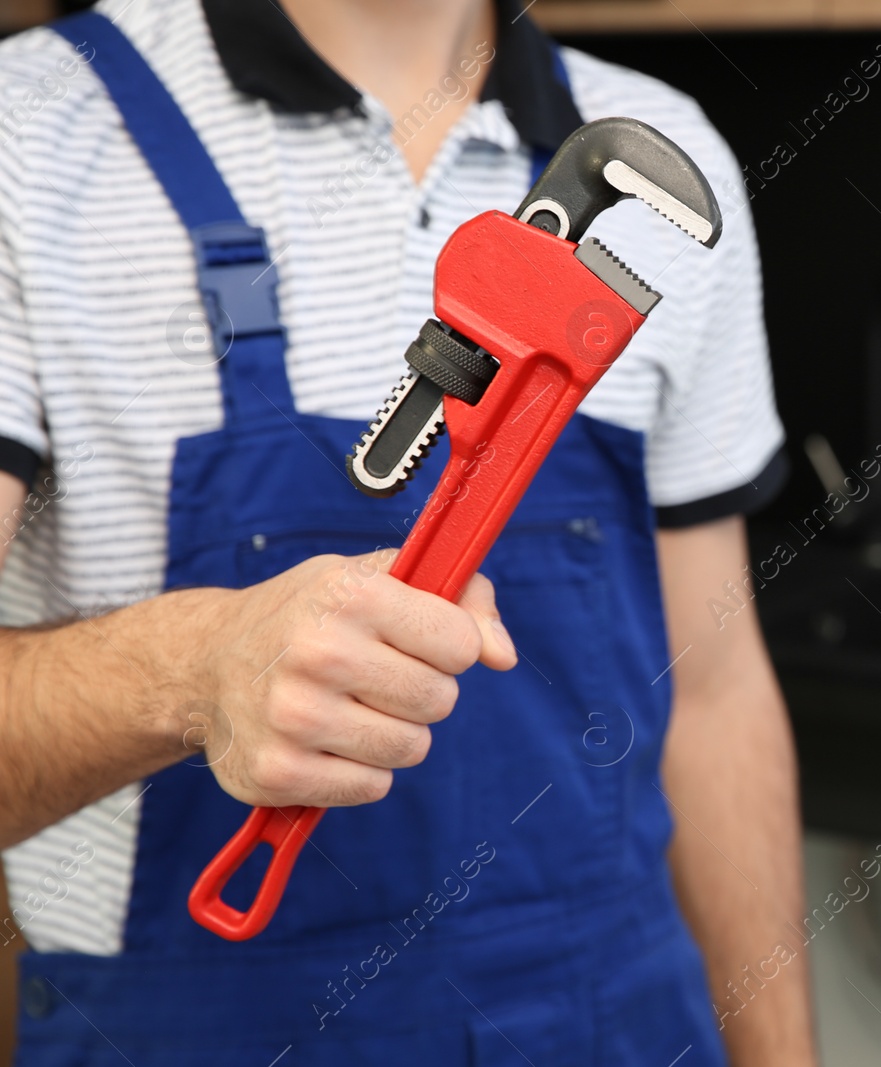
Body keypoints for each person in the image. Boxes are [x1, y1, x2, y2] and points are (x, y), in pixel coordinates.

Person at [0, 0, 816, 1063]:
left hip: (609, 1017)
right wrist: (194, 671)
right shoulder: (29, 130)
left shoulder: (666, 137)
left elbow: (712, 690)